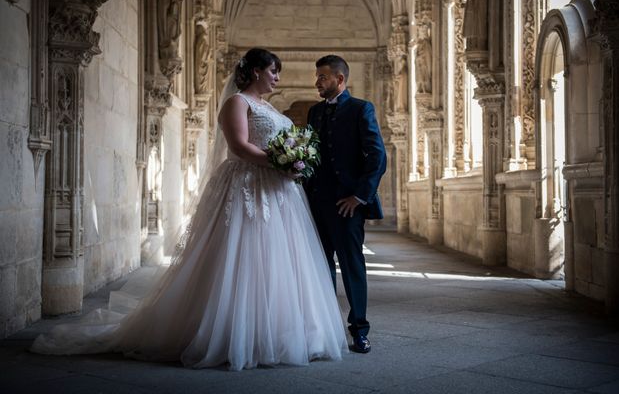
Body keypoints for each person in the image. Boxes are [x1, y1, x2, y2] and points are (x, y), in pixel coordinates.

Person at [31, 48, 348, 371]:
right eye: (273, 71)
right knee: (242, 257)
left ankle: (278, 330)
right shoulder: (237, 103)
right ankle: (231, 333)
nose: (277, 77)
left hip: (277, 192)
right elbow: (238, 146)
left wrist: (293, 162)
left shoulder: (269, 107)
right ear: (255, 72)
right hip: (246, 186)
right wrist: (281, 162)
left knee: (279, 260)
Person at [306, 55, 387, 354]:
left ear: (340, 80)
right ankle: (327, 328)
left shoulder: (361, 108)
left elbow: (377, 157)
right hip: (315, 203)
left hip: (347, 205)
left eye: (323, 77)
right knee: (320, 266)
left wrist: (359, 196)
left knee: (352, 266)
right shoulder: (314, 112)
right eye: (317, 77)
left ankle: (360, 330)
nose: (317, 82)